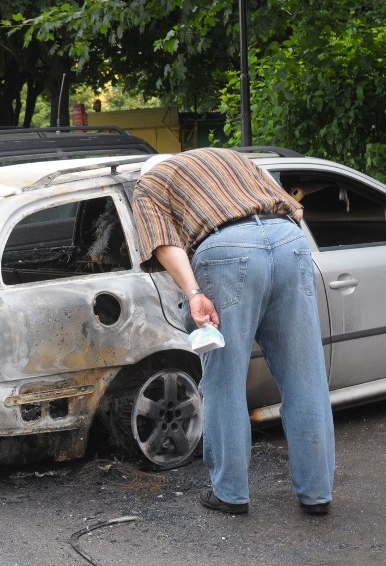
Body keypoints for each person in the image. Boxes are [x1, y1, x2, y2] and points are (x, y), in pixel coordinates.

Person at [132, 148, 335, 516]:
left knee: (225, 382)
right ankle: (317, 493)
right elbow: (297, 209)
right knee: (306, 378)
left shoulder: (150, 182)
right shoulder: (230, 157)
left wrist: (193, 293)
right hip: (289, 243)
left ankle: (230, 493)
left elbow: (164, 242)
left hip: (226, 253)